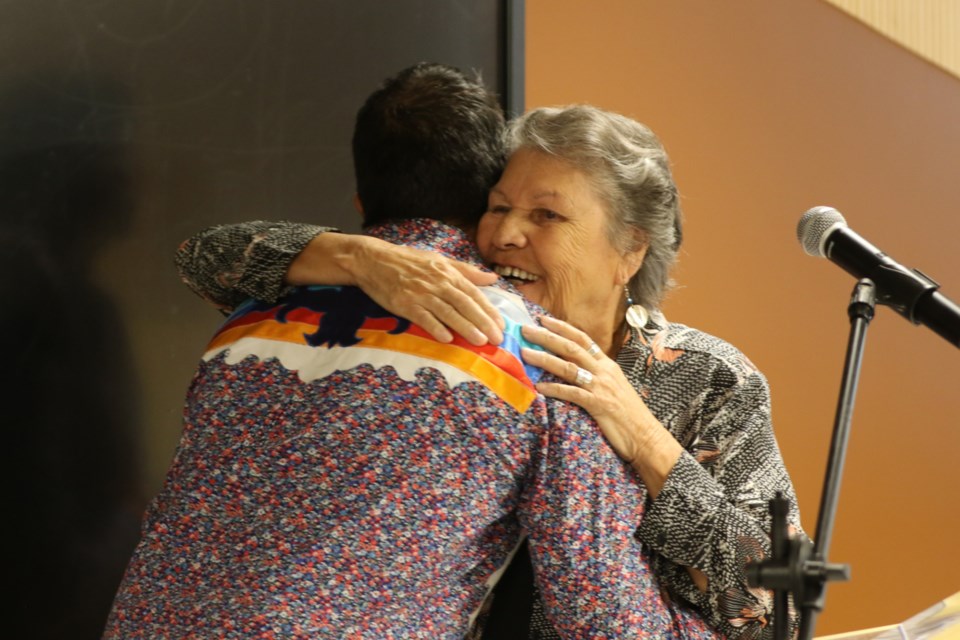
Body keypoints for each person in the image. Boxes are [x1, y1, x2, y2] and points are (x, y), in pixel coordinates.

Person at [105, 64, 716, 639]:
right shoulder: (540, 359)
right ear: (482, 202)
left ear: (360, 204)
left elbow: (203, 253)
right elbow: (605, 619)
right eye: (502, 209)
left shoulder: (245, 315)